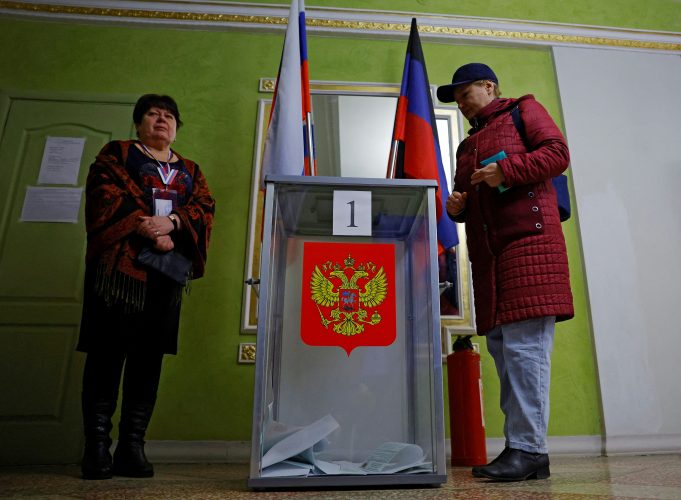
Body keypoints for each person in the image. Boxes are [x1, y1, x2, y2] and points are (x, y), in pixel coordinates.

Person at [437, 63, 573, 481]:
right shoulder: (467, 146)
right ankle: (526, 451)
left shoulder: (523, 110)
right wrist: (457, 207)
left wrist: (506, 170)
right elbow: (474, 200)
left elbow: (557, 154)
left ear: (489, 86)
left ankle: (528, 449)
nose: (461, 103)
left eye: (465, 94)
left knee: (525, 352)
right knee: (505, 352)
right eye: (456, 99)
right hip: (491, 259)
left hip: (528, 249)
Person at [77, 94, 215, 480]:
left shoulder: (190, 169)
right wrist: (146, 226)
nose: (161, 120)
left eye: (169, 115)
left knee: (148, 360)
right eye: (153, 114)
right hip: (118, 275)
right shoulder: (117, 154)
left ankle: (132, 446)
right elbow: (105, 195)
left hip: (164, 277)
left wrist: (171, 225)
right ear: (139, 123)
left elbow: (204, 207)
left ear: (176, 127)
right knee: (106, 356)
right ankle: (97, 447)